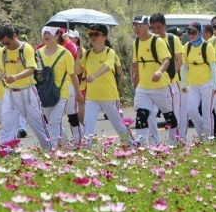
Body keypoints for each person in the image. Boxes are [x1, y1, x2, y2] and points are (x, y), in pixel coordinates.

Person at [0, 24, 54, 150]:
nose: (6, 45)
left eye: (8, 42)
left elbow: (31, 69)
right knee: (7, 124)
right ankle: (4, 152)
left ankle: (50, 149)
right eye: (3, 43)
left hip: (27, 92)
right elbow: (3, 70)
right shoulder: (3, 52)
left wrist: (16, 77)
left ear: (14, 36)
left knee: (38, 123)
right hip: (10, 92)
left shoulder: (26, 48)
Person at [78, 25, 132, 147]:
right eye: (90, 35)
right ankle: (87, 149)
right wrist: (78, 55)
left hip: (109, 96)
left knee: (118, 125)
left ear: (104, 36)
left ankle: (131, 145)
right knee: (88, 124)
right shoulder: (87, 54)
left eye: (96, 34)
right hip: (92, 97)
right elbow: (77, 70)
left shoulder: (109, 52)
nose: (92, 37)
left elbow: (107, 66)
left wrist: (94, 76)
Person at [130, 15, 172, 146]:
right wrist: (136, 88)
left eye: (140, 26)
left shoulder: (157, 41)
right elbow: (137, 67)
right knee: (142, 113)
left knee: (170, 118)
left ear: (147, 25)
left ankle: (175, 141)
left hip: (160, 85)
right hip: (144, 86)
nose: (137, 29)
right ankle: (140, 142)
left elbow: (166, 60)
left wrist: (159, 72)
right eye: (135, 26)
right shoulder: (136, 43)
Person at [36, 25, 79, 147]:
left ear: (57, 35)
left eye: (50, 33)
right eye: (44, 33)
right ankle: (64, 143)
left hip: (61, 93)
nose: (47, 35)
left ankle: (54, 149)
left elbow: (73, 75)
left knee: (55, 121)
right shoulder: (37, 53)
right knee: (51, 123)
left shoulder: (65, 53)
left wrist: (79, 94)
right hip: (44, 94)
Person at [148, 14, 184, 145]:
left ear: (165, 26)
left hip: (172, 83)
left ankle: (173, 142)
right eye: (153, 28)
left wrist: (171, 74)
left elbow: (179, 60)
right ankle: (154, 142)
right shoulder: (149, 40)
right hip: (153, 85)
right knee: (150, 113)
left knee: (173, 114)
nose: (156, 31)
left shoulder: (172, 39)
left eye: (159, 27)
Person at [181, 22, 216, 142]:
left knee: (207, 112)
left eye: (194, 32)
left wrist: (215, 85)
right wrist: (184, 84)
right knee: (191, 109)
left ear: (200, 32)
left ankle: (209, 140)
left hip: (207, 84)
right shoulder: (187, 47)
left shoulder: (207, 47)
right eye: (189, 32)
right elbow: (185, 66)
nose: (191, 35)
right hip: (193, 85)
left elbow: (213, 66)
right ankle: (203, 134)